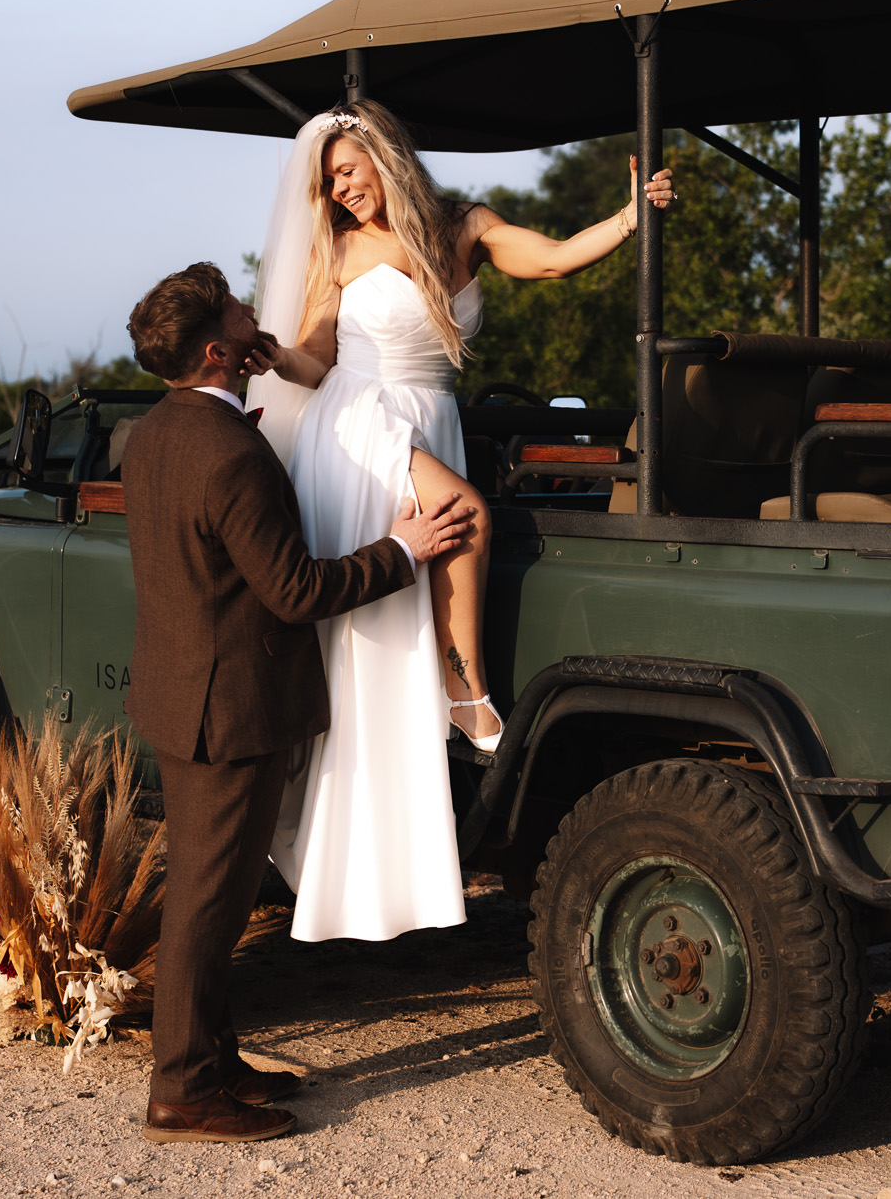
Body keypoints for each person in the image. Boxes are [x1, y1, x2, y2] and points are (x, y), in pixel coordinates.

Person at [244, 101, 673, 943]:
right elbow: (316, 357)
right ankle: (467, 694)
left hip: (429, 418)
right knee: (462, 513)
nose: (339, 190)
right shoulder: (337, 248)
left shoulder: (462, 226)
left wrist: (628, 217)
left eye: (348, 171)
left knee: (396, 614)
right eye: (329, 181)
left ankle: (389, 850)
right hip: (359, 425)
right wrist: (273, 355)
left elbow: (548, 261)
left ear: (382, 154)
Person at [121, 262, 474, 1144]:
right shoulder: (230, 449)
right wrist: (403, 546)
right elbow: (294, 591)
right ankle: (180, 1091)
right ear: (218, 349)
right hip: (230, 706)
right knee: (208, 900)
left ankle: (213, 1057)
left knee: (214, 892)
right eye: (242, 312)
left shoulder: (156, 433)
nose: (256, 315)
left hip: (183, 692)